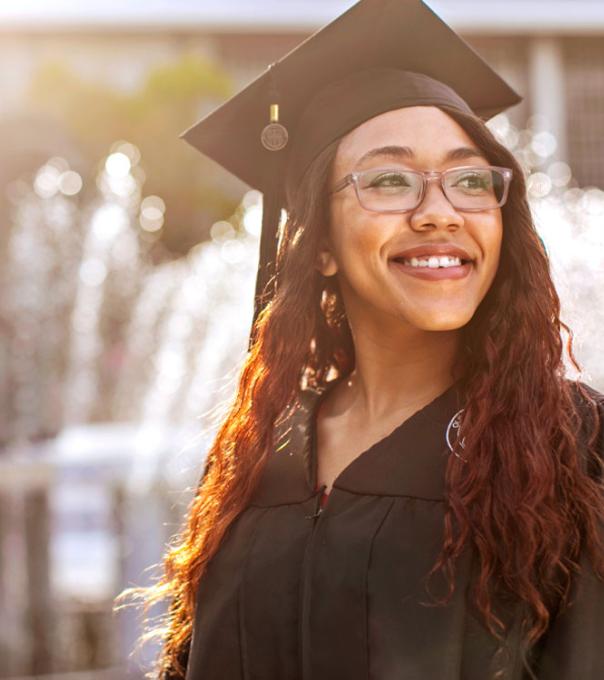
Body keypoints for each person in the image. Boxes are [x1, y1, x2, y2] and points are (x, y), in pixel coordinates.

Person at [117, 1, 604, 678]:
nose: (439, 213)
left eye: (469, 180)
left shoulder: (570, 445)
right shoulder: (263, 450)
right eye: (388, 180)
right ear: (319, 245)